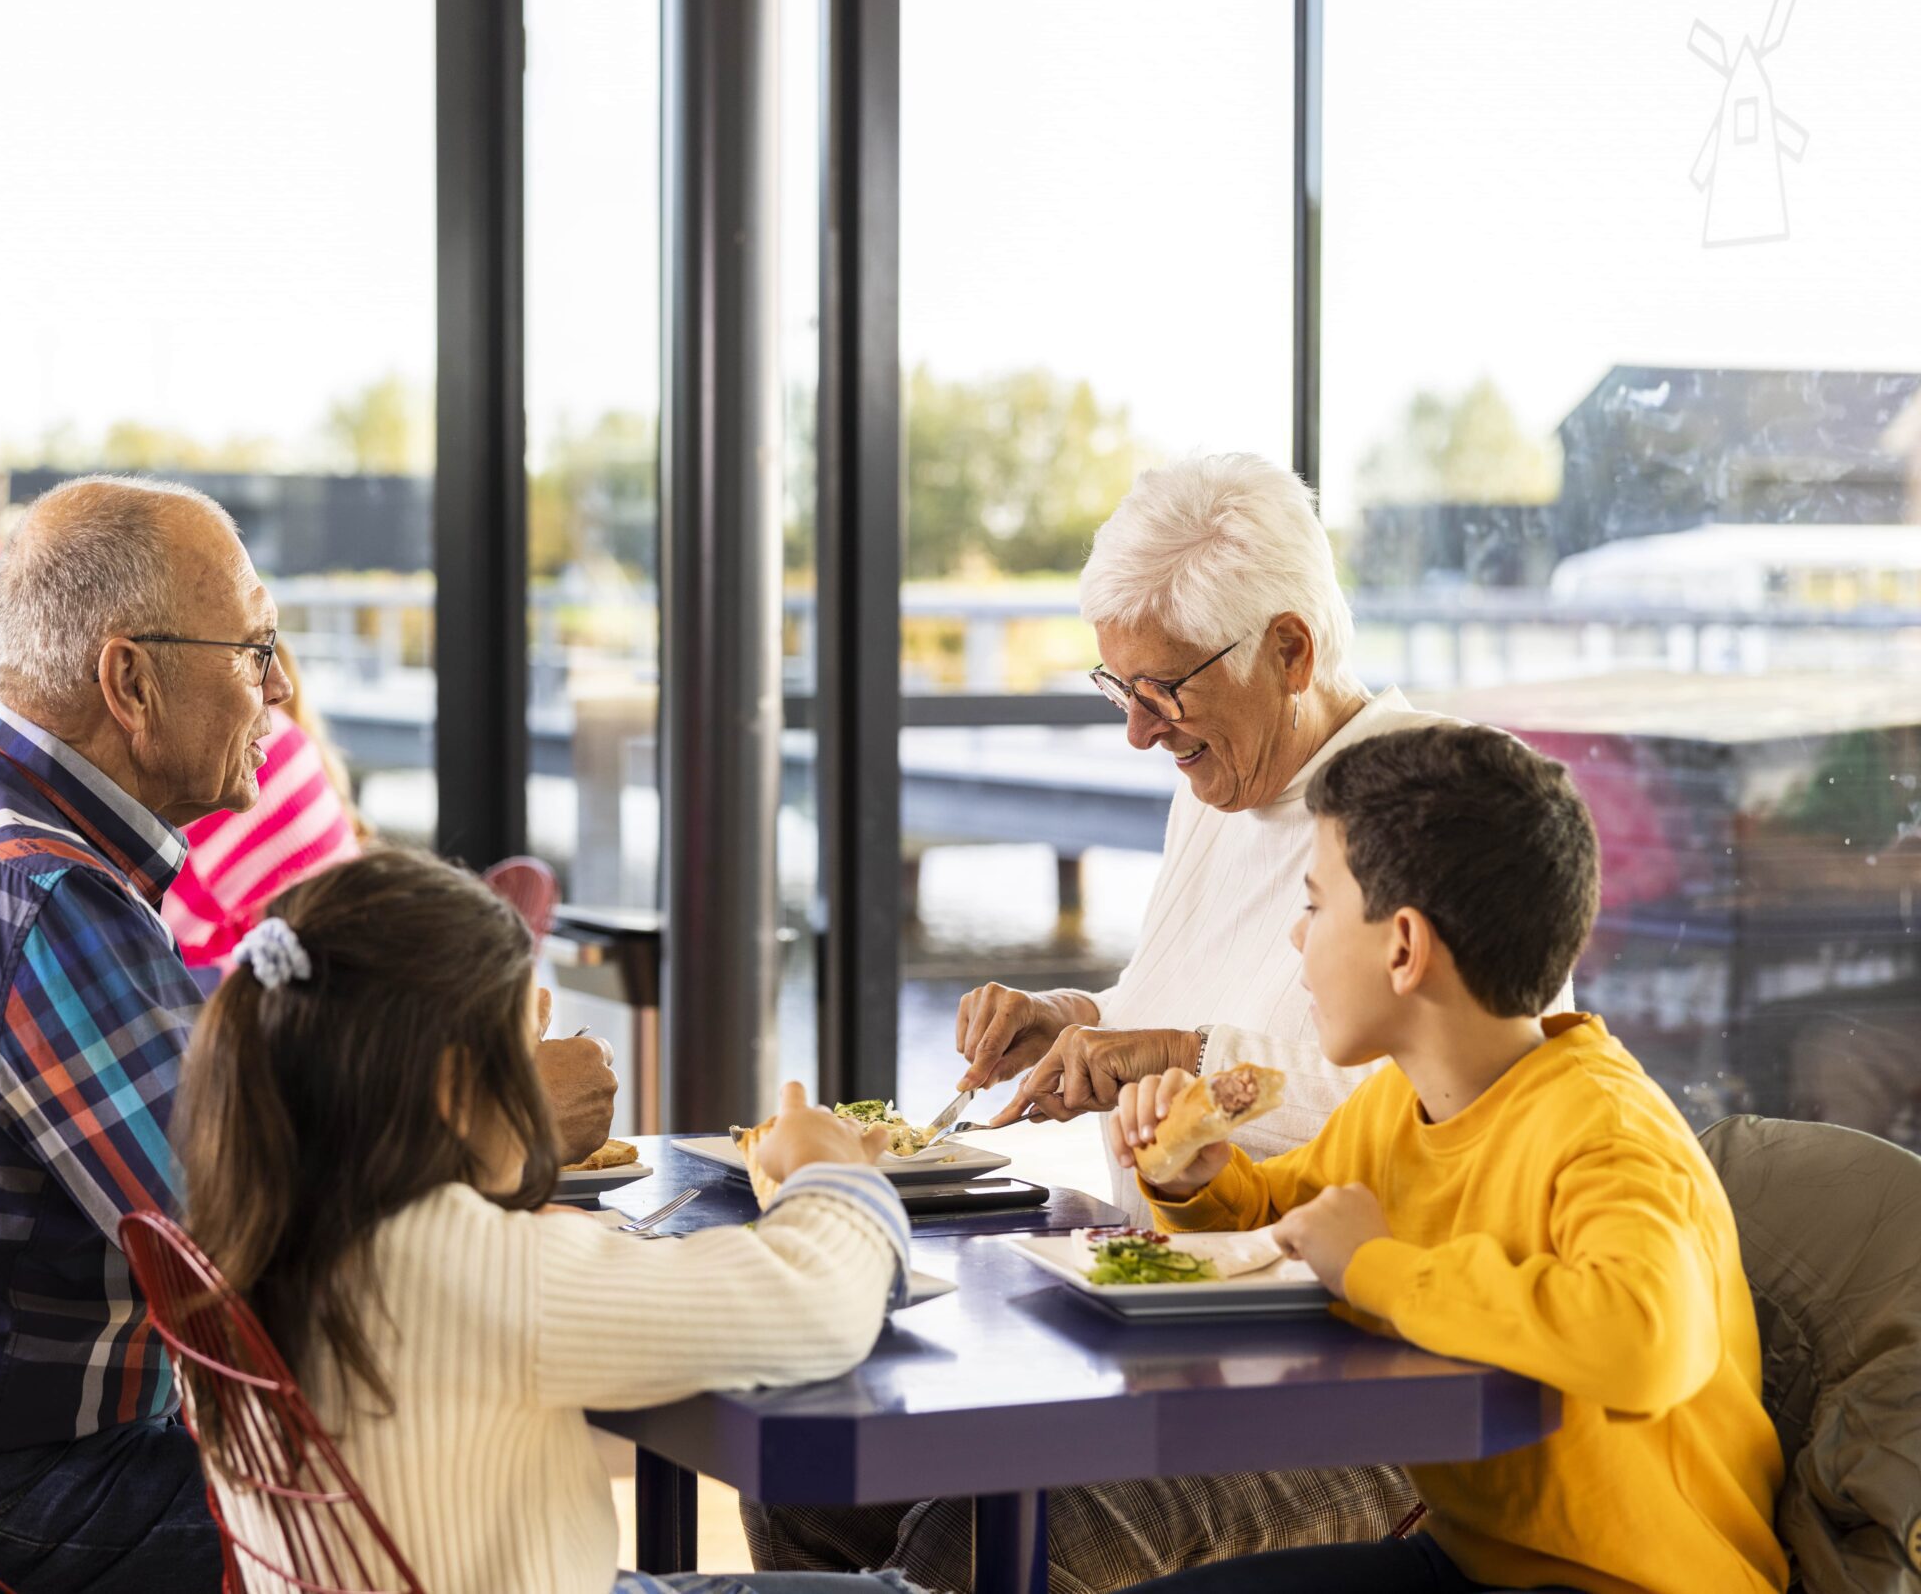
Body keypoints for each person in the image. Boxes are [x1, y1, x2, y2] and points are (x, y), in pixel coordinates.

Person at [0, 476, 616, 1593]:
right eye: (255, 650)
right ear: (131, 679)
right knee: (461, 1498)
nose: (283, 689)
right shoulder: (45, 900)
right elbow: (268, 1252)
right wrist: (499, 1111)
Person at [752, 452, 1507, 1587]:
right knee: (811, 1477)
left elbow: (1461, 1107)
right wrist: (1076, 1016)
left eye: (1165, 691)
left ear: (1289, 649)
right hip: (1167, 1309)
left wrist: (1175, 1055)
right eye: (1119, 690)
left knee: (973, 1553)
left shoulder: (1446, 806)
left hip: (1369, 1369)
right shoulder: (1229, 786)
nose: (1139, 735)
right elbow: (1200, 1008)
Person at [1107, 724, 1785, 1594]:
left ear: (1403, 948)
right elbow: (1293, 1224)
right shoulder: (1400, 1100)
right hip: (1475, 1562)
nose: (1294, 936)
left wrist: (1380, 1267)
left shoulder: (1607, 1131)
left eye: (1314, 905)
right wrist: (1197, 1181)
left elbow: (1647, 1343)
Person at [177, 843, 926, 1594]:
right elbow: (815, 1303)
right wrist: (831, 1170)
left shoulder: (245, 1226)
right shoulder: (469, 1265)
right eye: (522, 1050)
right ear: (451, 1087)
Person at [162, 638, 367, 969]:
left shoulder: (220, 767)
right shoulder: (287, 737)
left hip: (327, 982)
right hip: (359, 952)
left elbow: (145, 940)